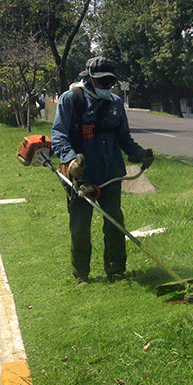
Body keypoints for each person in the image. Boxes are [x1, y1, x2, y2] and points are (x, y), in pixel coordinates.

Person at [51, 56, 154, 285]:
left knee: (115, 223)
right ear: (89, 79)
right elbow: (58, 137)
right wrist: (71, 162)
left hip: (110, 176)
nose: (108, 86)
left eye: (111, 82)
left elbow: (124, 138)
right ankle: (82, 274)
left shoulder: (116, 103)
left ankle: (116, 271)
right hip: (81, 177)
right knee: (80, 228)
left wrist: (139, 155)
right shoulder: (71, 100)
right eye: (102, 82)